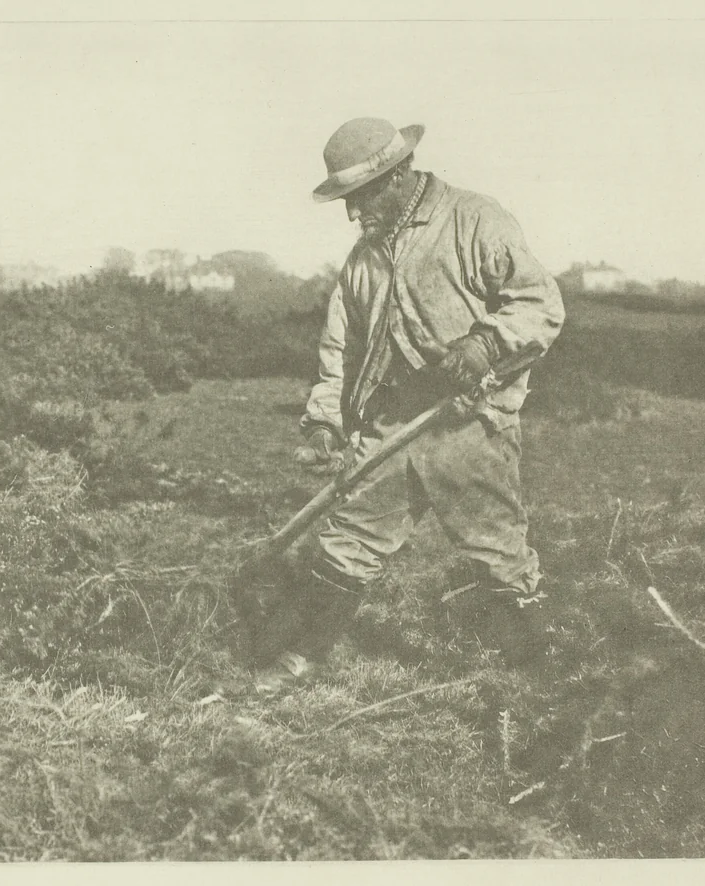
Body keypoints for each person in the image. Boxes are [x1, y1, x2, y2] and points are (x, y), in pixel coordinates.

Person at [250, 117, 565, 694]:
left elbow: (541, 305)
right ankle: (298, 660)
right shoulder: (363, 261)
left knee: (496, 552)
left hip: (469, 421)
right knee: (347, 541)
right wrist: (324, 418)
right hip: (393, 423)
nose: (352, 213)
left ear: (397, 178)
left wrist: (486, 342)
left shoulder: (474, 220)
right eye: (345, 201)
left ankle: (539, 680)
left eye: (360, 197)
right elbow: (340, 349)